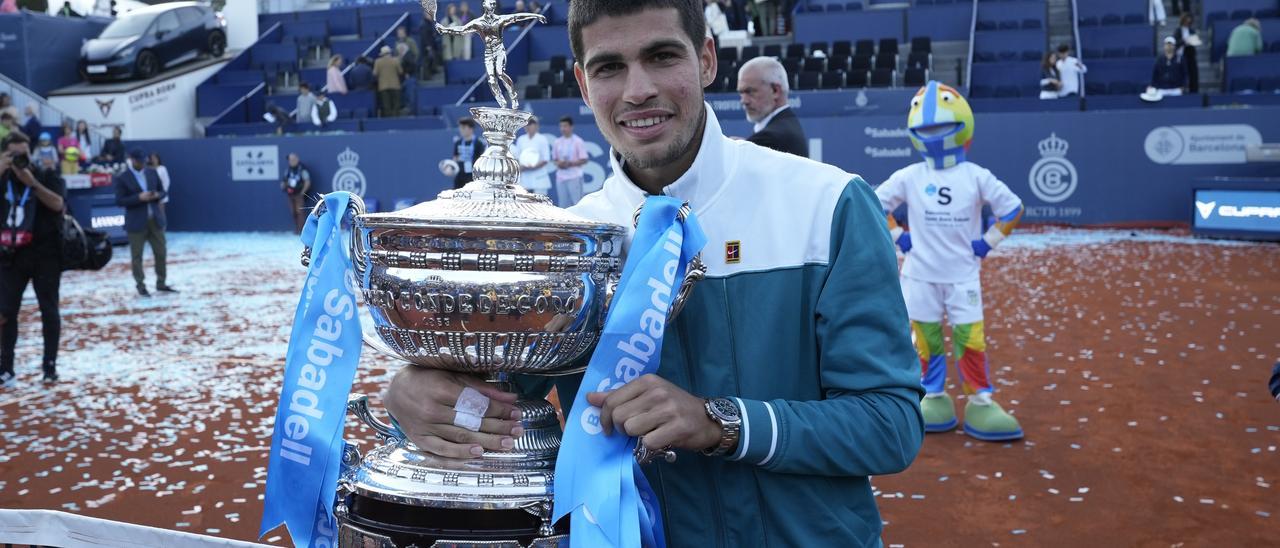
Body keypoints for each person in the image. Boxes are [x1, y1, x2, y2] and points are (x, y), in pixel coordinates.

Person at [383, 1, 924, 545]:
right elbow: (494, 387)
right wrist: (415, 390)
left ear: (707, 59)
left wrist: (720, 422)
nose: (637, 90)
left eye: (662, 56)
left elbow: (889, 425)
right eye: (609, 67)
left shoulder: (828, 204)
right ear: (582, 81)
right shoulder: (565, 247)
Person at [875, 81, 1025, 442]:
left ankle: (981, 401)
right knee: (924, 339)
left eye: (940, 125)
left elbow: (1012, 208)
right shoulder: (910, 176)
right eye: (925, 127)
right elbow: (875, 203)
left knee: (969, 338)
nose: (933, 132)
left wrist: (986, 244)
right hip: (920, 276)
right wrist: (900, 237)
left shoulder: (976, 176)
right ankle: (934, 397)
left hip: (962, 277)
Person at [0, 133, 66, 386]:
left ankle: (49, 365)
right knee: (5, 313)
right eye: (13, 155)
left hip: (45, 254)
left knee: (49, 311)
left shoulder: (45, 174)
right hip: (10, 254)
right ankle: (6, 367)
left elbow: (59, 204)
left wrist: (32, 183)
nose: (19, 160)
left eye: (23, 155)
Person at [114, 149, 172, 297]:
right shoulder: (123, 178)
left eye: (143, 161)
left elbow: (163, 192)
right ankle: (140, 285)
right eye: (138, 161)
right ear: (132, 160)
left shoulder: (152, 173)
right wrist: (139, 198)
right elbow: (119, 201)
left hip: (155, 220)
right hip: (136, 222)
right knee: (137, 256)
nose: (141, 163)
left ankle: (161, 282)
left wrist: (157, 195)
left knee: (161, 252)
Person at [737, 56, 808, 157]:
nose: (744, 101)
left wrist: (736, 150)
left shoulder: (770, 138)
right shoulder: (786, 125)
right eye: (741, 93)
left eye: (750, 92)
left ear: (775, 91)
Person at [551, 115, 588, 207]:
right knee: (563, 204)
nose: (563, 129)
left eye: (565, 126)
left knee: (577, 204)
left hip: (574, 177)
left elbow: (584, 159)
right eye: (561, 126)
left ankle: (579, 221)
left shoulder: (578, 141)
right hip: (561, 177)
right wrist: (559, 164)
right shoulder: (557, 142)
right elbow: (554, 159)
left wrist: (570, 163)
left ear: (571, 127)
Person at [513, 115, 551, 195]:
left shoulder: (542, 139)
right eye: (526, 124)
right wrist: (521, 167)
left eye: (530, 124)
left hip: (539, 179)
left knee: (540, 204)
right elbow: (517, 157)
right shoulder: (521, 139)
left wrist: (533, 166)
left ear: (536, 126)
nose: (528, 126)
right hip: (525, 179)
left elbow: (545, 159)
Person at [281, 153, 312, 233]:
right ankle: (297, 229)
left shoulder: (302, 169)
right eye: (290, 160)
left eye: (293, 159)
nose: (291, 161)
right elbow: (284, 181)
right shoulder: (288, 170)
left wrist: (302, 192)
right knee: (293, 212)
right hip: (290, 194)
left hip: (299, 194)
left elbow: (307, 181)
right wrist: (284, 186)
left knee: (300, 212)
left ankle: (302, 230)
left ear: (297, 159)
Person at [451, 117, 485, 189]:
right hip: (459, 175)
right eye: (460, 128)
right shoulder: (458, 142)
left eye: (463, 128)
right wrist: (452, 167)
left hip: (473, 175)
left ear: (470, 129)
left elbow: (481, 160)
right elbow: (455, 157)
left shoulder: (478, 143)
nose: (461, 130)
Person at [373, 46, 404, 117]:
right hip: (395, 85)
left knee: (386, 105)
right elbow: (401, 71)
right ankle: (396, 117)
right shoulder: (396, 60)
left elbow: (374, 73)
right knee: (396, 104)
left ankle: (388, 119)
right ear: (389, 52)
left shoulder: (377, 62)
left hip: (383, 86)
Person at [1174, 13, 1200, 94]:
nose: (1187, 22)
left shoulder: (1191, 30)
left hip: (1190, 55)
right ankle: (1181, 91)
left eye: (1189, 21)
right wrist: (1184, 41)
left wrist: (1193, 41)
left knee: (1193, 74)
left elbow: (1196, 41)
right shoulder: (1178, 30)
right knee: (1182, 75)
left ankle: (1194, 92)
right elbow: (1175, 43)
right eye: (1186, 20)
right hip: (1181, 56)